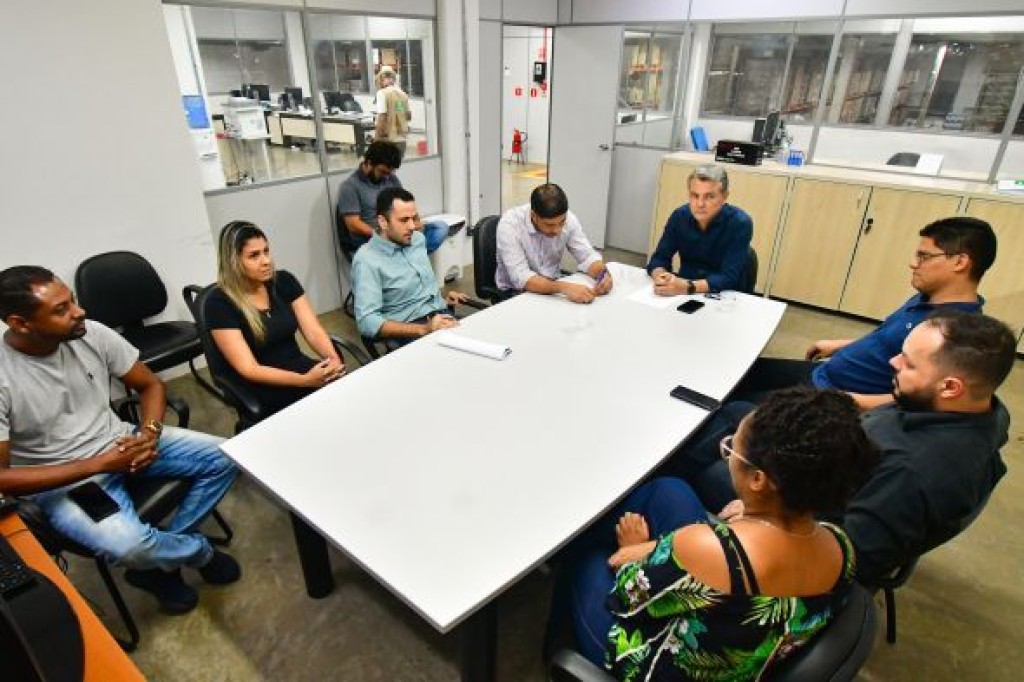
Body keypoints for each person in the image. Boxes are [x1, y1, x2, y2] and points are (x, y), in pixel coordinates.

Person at [563, 387, 878, 678]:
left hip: (656, 663)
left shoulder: (712, 552)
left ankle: (561, 642)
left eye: (731, 448)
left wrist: (633, 548)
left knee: (583, 547)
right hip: (735, 633)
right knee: (670, 490)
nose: (728, 454)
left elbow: (626, 600)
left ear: (758, 480)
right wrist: (666, 548)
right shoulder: (840, 544)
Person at [681, 311, 1013, 586]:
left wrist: (767, 517)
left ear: (951, 387)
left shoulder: (910, 473)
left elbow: (851, 558)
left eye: (909, 364)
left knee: (683, 472)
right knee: (738, 413)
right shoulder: (980, 411)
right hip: (824, 468)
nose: (893, 362)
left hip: (795, 510)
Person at [0, 266, 240, 614]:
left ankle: (157, 565)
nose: (79, 312)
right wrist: (101, 464)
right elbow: (3, 479)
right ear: (21, 323)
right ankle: (197, 553)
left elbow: (150, 384)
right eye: (61, 310)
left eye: (73, 301)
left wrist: (149, 433)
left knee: (230, 455)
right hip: (68, 480)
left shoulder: (91, 333)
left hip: (123, 442)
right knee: (129, 546)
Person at [732, 216, 996, 410]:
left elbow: (919, 402)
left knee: (730, 409)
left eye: (924, 256)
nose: (913, 263)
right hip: (825, 371)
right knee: (736, 374)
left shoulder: (953, 333)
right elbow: (885, 339)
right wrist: (840, 345)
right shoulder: (927, 296)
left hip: (832, 397)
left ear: (960, 262)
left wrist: (847, 402)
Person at [205, 221, 346, 417]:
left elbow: (314, 332)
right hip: (263, 384)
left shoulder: (284, 281)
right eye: (254, 256)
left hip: (300, 368)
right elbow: (249, 368)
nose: (266, 261)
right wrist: (305, 381)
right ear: (233, 262)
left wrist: (333, 360)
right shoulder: (218, 303)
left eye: (266, 251)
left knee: (344, 400)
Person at [352, 187, 467, 343]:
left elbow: (415, 289)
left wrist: (442, 300)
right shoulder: (367, 260)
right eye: (404, 220)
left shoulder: (417, 240)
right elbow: (367, 322)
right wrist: (423, 329)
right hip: (408, 331)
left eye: (414, 218)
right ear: (383, 222)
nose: (412, 226)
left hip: (440, 317)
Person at [495, 183, 612, 304]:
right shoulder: (510, 225)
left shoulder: (568, 219)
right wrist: (564, 288)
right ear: (534, 216)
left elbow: (587, 256)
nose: (557, 230)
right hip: (515, 292)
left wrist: (603, 274)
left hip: (553, 285)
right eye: (549, 225)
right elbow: (521, 278)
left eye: (562, 222)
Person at [647, 164, 753, 295]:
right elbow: (659, 258)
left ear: (724, 196)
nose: (700, 204)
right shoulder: (679, 216)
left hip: (724, 296)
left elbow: (728, 277)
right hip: (682, 292)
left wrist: (688, 287)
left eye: (710, 197)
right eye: (695, 195)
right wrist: (660, 276)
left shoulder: (740, 223)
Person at [336, 140, 448, 255]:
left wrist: (416, 222)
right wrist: (382, 236)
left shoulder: (391, 179)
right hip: (374, 239)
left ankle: (406, 255)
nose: (386, 176)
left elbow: (405, 203)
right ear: (369, 163)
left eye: (389, 172)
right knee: (409, 244)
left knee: (440, 228)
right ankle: (407, 255)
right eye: (383, 172)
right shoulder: (350, 186)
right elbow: (353, 225)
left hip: (398, 231)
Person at [374, 65, 411, 157]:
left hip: (388, 140)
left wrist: (377, 139)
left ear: (381, 79)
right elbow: (408, 116)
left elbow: (382, 116)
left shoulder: (382, 93)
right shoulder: (402, 94)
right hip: (401, 140)